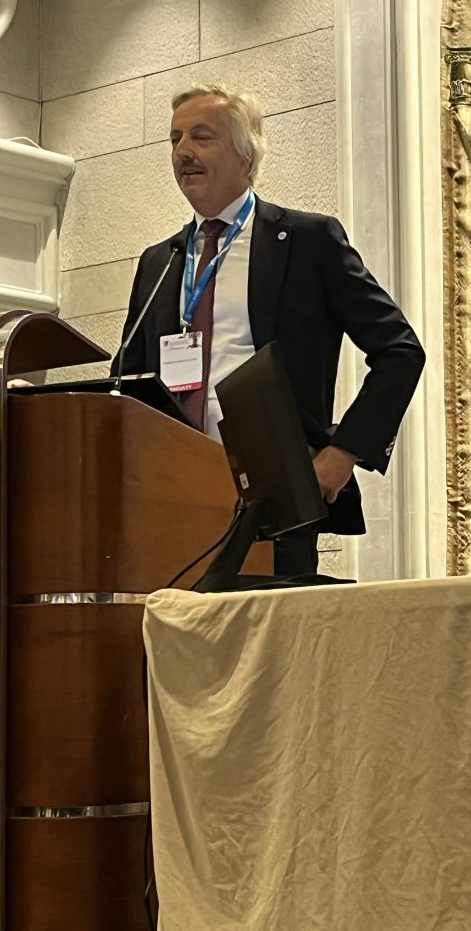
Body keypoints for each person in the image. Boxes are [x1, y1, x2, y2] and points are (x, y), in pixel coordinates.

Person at [113, 85, 425, 575]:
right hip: (171, 492)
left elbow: (401, 351)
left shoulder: (306, 241)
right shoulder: (159, 261)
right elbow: (128, 382)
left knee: (267, 625)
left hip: (272, 493)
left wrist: (341, 455)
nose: (183, 152)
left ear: (245, 152)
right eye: (175, 139)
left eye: (201, 137)